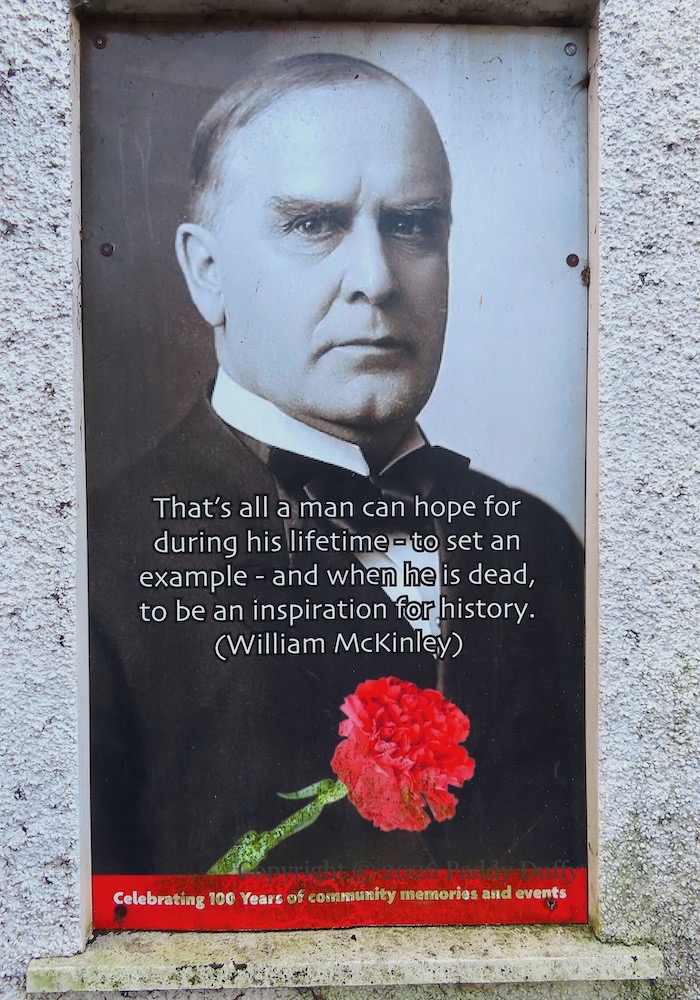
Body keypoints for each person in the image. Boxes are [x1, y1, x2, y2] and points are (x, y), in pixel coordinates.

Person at [89, 53, 585, 877]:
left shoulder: (540, 543)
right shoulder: (90, 572)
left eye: (413, 225)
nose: (377, 280)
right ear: (208, 273)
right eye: (314, 225)